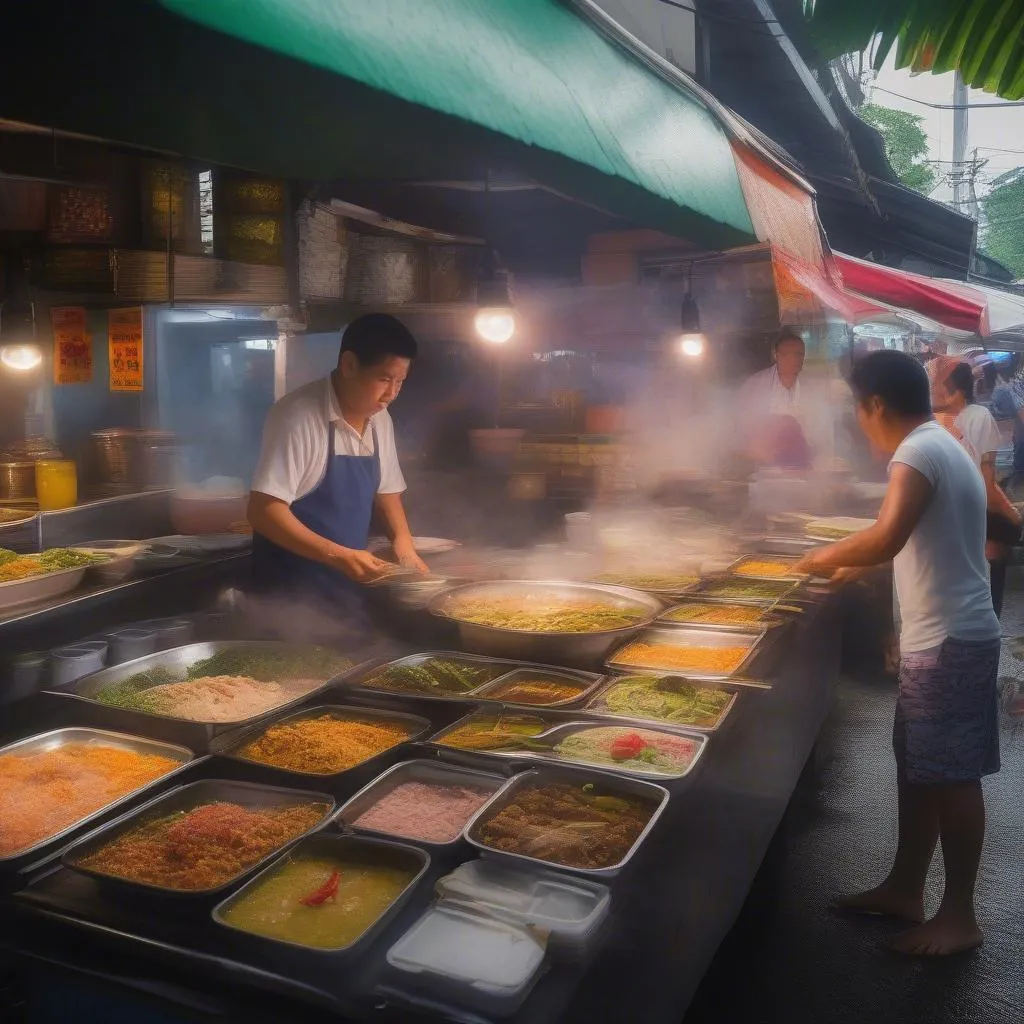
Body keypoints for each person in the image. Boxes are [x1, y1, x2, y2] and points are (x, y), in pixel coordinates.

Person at [795, 350, 1000, 957]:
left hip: (951, 642)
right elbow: (902, 544)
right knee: (920, 769)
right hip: (938, 639)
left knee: (953, 778)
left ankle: (959, 915)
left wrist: (819, 557)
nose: (859, 422)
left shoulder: (916, 450)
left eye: (858, 409)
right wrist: (852, 571)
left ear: (876, 404)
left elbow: (887, 535)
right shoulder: (939, 443)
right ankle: (906, 888)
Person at [247, 314, 428, 613]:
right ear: (349, 365)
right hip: (290, 599)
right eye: (384, 379)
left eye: (400, 381)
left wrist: (404, 544)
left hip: (347, 596)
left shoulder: (380, 419)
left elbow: (388, 491)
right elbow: (263, 510)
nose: (392, 393)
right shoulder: (297, 416)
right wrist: (338, 555)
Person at [928, 355, 1022, 616]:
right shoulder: (979, 416)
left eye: (936, 387)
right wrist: (1012, 515)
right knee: (985, 594)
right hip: (976, 520)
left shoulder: (932, 422)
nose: (933, 392)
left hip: (942, 521)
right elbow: (986, 482)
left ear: (954, 392)